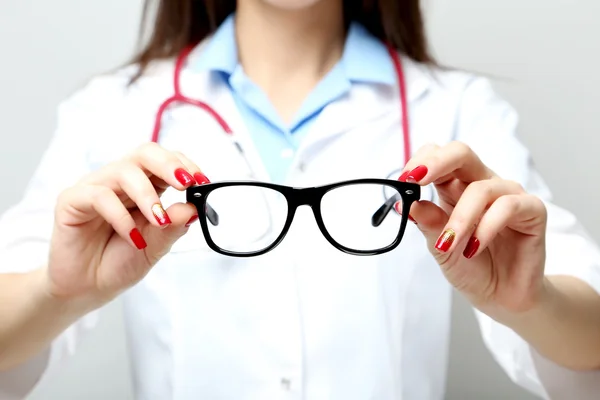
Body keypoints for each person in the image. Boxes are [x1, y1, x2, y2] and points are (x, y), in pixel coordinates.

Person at [1, 0, 600, 399]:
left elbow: (588, 341)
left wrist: (532, 303)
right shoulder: (112, 110)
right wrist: (56, 293)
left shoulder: (457, 108)